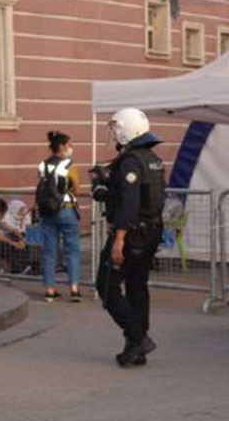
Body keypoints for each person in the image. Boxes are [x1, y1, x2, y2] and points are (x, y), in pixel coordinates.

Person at [95, 108, 165, 367]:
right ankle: (135, 349)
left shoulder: (131, 161)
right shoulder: (153, 159)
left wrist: (119, 239)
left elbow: (129, 201)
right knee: (137, 286)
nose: (114, 134)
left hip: (132, 234)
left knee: (106, 286)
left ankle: (138, 337)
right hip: (150, 231)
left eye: (116, 129)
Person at [38, 131, 82, 302]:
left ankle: (50, 290)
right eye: (69, 144)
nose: (71, 148)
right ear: (62, 146)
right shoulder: (69, 165)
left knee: (49, 251)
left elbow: (42, 187)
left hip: (47, 210)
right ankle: (74, 289)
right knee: (72, 250)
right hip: (66, 209)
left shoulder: (42, 165)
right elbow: (76, 189)